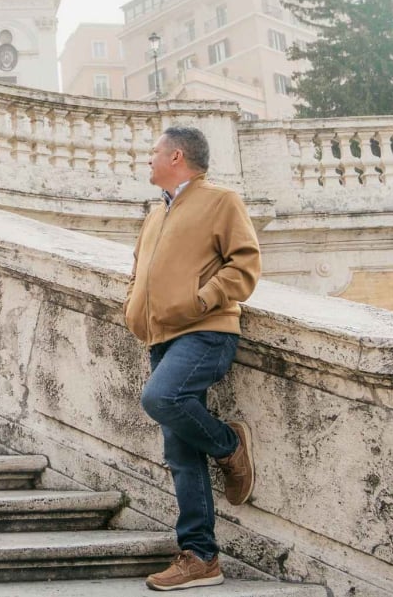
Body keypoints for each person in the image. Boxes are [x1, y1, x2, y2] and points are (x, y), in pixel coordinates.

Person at [123, 126, 260, 591]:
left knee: (161, 398)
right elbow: (138, 271)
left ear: (176, 156)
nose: (148, 159)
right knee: (180, 452)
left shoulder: (221, 201)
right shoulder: (154, 215)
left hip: (206, 332)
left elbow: (244, 265)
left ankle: (228, 446)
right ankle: (201, 556)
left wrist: (202, 300)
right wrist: (133, 307)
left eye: (154, 152)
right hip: (160, 338)